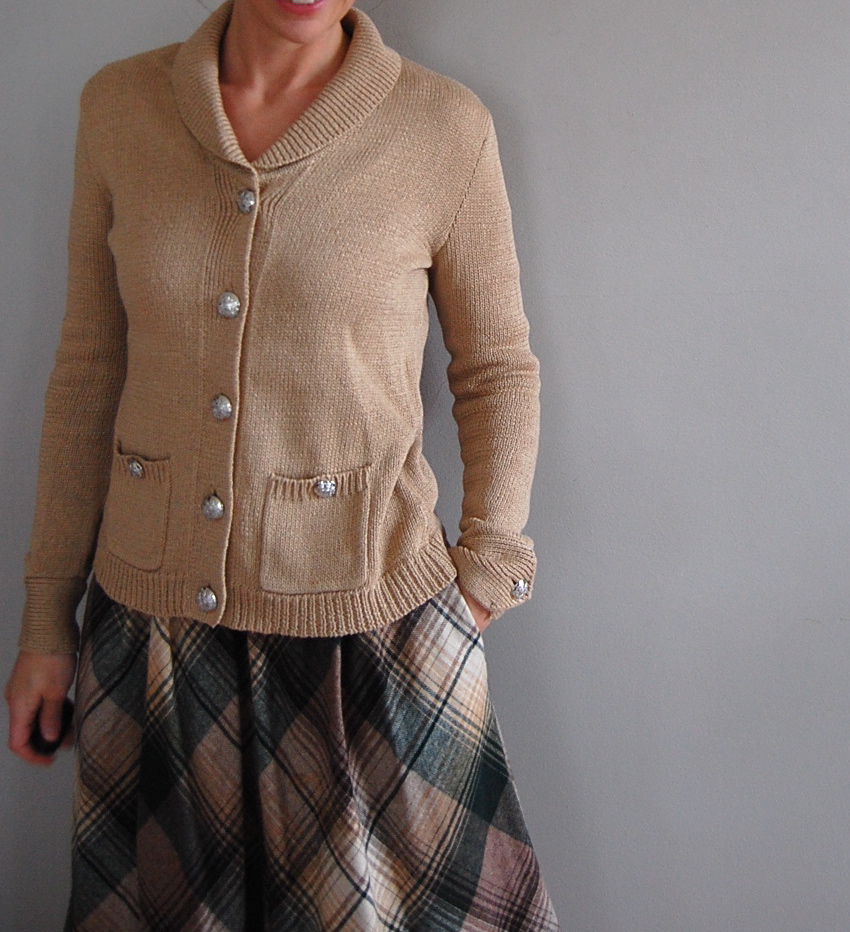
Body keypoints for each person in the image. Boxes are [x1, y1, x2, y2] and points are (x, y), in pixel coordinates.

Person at [4, 0, 558, 928]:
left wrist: (486, 577)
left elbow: (496, 368)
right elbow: (89, 371)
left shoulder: (442, 127)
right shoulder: (120, 107)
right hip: (154, 637)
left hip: (372, 633)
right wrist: (45, 624)